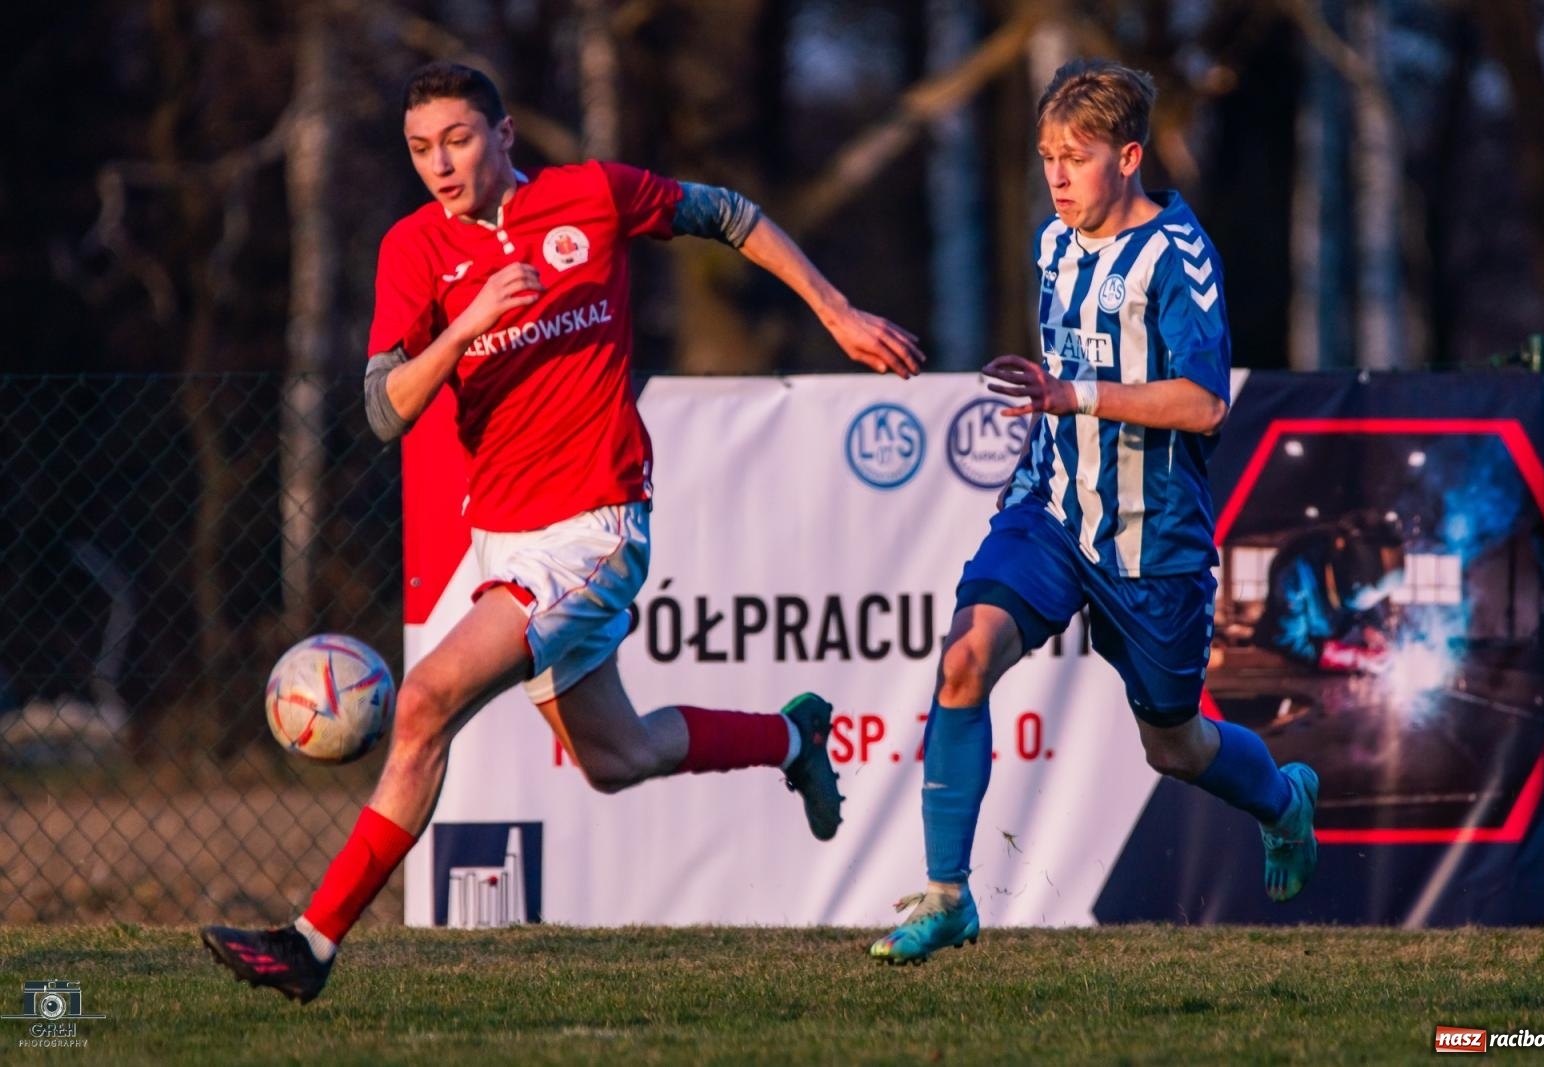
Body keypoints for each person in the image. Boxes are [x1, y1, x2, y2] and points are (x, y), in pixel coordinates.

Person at [202, 61, 924, 1003]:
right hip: (501, 537)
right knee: (616, 759)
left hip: (596, 528)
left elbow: (732, 216)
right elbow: (384, 409)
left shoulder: (595, 196)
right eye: (420, 148)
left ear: (504, 135)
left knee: (421, 703)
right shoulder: (413, 249)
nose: (440, 164)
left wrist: (835, 310)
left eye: (458, 139)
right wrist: (460, 333)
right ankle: (792, 739)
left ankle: (312, 943)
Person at [868, 58, 1318, 965]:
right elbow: (1062, 381)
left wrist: (1073, 396)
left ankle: (1282, 800)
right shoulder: (1051, 243)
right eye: (1046, 157)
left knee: (1176, 746)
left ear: (1129, 158)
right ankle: (950, 895)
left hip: (1154, 542)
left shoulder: (1179, 257)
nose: (1058, 176)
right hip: (1050, 513)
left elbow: (1204, 404)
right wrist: (1052, 416)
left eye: (1075, 157)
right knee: (963, 660)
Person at [1253, 515, 1407, 672]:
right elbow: (1289, 642)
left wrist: (1372, 629)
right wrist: (1355, 657)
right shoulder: (1294, 571)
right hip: (1289, 663)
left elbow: (1368, 608)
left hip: (1334, 643)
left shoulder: (1366, 566)